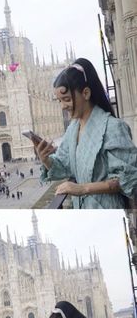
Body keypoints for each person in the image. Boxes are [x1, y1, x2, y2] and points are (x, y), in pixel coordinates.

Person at [34, 58, 137, 209]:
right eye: (59, 101)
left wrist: (82, 188)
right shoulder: (73, 128)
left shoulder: (113, 127)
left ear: (86, 93)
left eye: (67, 99)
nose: (63, 106)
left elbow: (128, 178)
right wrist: (46, 159)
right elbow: (64, 165)